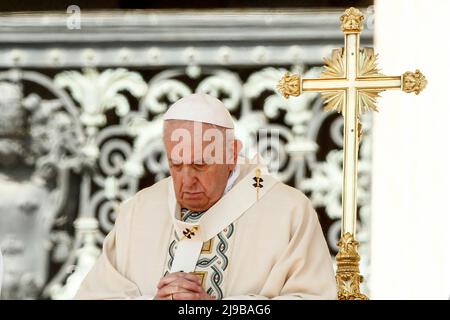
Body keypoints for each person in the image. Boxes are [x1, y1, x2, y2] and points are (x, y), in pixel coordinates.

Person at [75, 93, 337, 300]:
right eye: (176, 165)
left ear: (233, 154)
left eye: (200, 165)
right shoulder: (139, 210)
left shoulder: (287, 211)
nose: (186, 181)